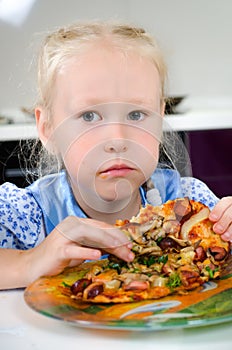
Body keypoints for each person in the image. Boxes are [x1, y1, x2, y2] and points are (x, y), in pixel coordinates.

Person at [0, 21, 231, 290]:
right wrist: (28, 262)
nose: (118, 140)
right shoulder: (24, 214)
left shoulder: (189, 206)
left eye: (136, 115)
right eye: (89, 116)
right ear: (48, 129)